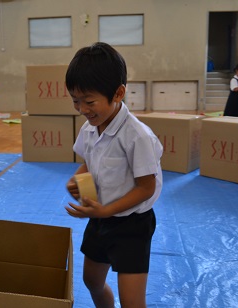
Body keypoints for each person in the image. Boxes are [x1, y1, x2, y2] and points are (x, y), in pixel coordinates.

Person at [64, 42, 163, 308]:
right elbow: (89, 163)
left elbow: (146, 188)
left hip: (133, 224)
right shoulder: (89, 129)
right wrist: (78, 180)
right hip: (100, 219)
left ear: (118, 93)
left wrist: (105, 212)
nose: (83, 109)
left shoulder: (137, 136)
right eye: (76, 100)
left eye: (89, 101)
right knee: (92, 281)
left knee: (132, 302)